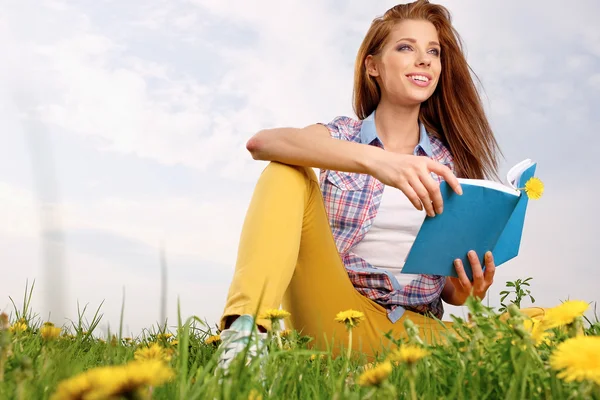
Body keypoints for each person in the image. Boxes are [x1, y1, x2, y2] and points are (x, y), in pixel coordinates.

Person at [215, 0, 544, 370]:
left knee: (541, 323)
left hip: (417, 335)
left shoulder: (449, 162)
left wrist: (469, 289)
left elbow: (451, 292)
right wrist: (377, 161)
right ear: (373, 65)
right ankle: (243, 340)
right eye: (406, 47)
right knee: (287, 171)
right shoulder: (340, 136)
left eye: (433, 52)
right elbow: (262, 144)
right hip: (336, 314)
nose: (424, 60)